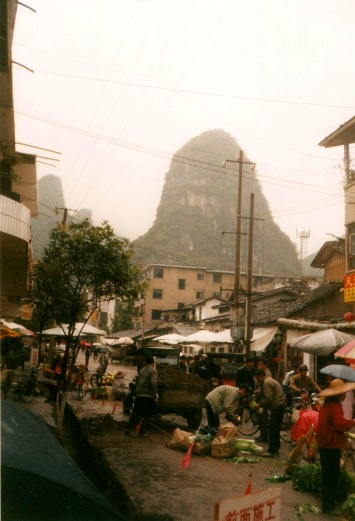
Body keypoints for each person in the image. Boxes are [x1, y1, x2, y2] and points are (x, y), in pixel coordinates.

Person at [315, 379, 355, 515]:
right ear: (339, 394)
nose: (345, 394)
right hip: (330, 445)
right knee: (332, 475)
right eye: (343, 392)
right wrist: (352, 422)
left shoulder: (327, 404)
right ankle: (328, 504)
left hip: (324, 443)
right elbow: (340, 424)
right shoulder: (335, 406)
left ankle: (327, 501)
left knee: (327, 475)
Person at [253, 369, 287, 455]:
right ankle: (275, 448)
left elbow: (268, 398)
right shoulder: (269, 380)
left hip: (277, 407)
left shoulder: (266, 383)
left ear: (260, 376)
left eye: (257, 378)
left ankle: (272, 450)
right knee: (275, 428)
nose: (257, 381)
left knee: (272, 429)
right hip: (280, 406)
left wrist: (259, 405)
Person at [125, 356, 158, 437]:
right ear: (153, 362)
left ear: (145, 362)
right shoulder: (153, 370)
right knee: (145, 414)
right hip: (147, 396)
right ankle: (141, 432)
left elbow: (137, 381)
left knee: (135, 413)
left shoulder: (142, 370)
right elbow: (153, 382)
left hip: (139, 395)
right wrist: (155, 393)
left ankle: (128, 429)